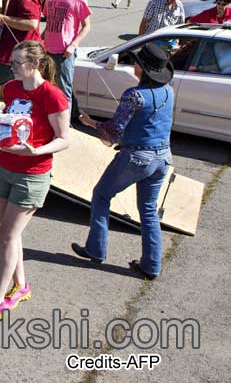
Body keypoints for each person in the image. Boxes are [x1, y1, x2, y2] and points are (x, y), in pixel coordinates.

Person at [0, 41, 70, 320]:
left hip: (32, 174)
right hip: (5, 166)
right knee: (10, 234)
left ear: (34, 65)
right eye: (12, 63)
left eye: (17, 63)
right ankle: (20, 286)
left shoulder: (54, 96)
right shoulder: (10, 88)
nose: (12, 68)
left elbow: (63, 139)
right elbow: (8, 125)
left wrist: (38, 150)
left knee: (7, 235)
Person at [73, 43, 176, 280]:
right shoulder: (168, 91)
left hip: (137, 157)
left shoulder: (135, 95)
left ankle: (96, 249)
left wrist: (91, 123)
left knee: (101, 195)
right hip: (162, 158)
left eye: (137, 62)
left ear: (142, 68)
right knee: (148, 211)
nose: (134, 65)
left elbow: (114, 131)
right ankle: (152, 265)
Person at [42, 0, 91, 109]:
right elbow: (49, 24)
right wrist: (40, 39)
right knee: (48, 87)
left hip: (64, 52)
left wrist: (73, 45)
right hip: (48, 50)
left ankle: (64, 124)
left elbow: (87, 26)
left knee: (64, 90)